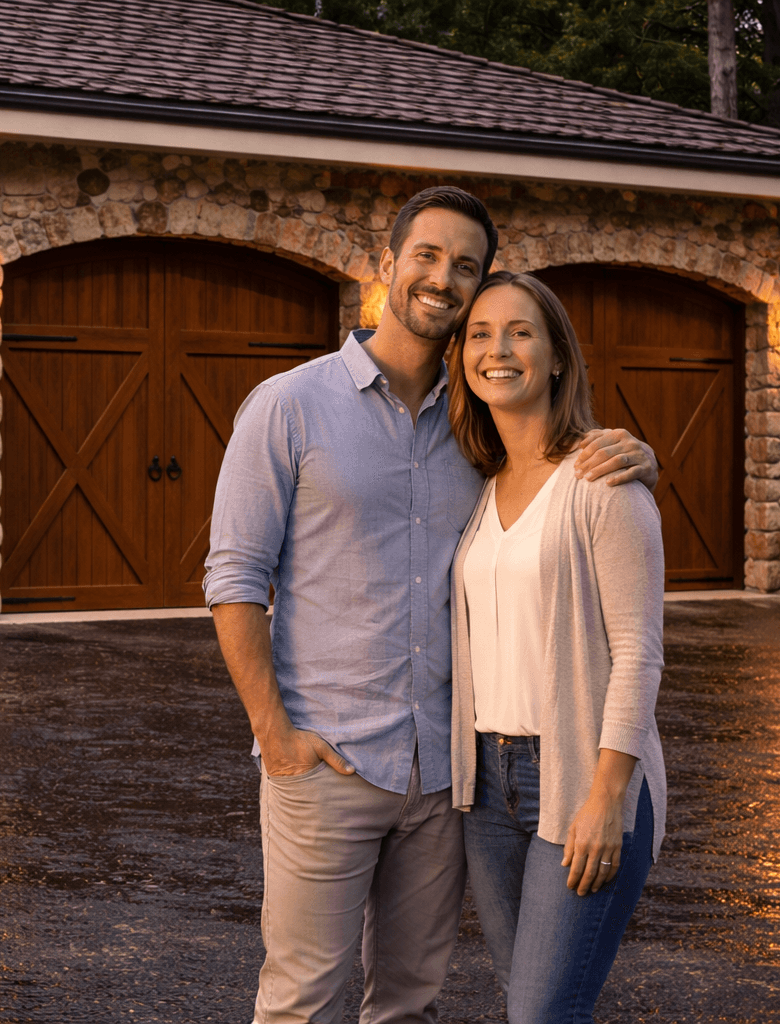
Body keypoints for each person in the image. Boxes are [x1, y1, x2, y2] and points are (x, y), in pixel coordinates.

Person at [203, 185, 659, 1024]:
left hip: (449, 776)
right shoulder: (290, 406)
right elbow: (233, 579)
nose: (443, 279)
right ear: (388, 264)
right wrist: (276, 739)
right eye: (427, 255)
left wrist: (636, 455)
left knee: (410, 1001)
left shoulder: (477, 422)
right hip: (328, 762)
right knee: (303, 1000)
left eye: (466, 267)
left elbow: (562, 486)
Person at [448, 270, 666, 1023]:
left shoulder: (604, 479)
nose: (497, 349)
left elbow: (640, 650)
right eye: (480, 333)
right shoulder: (480, 484)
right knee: (530, 1003)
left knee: (541, 1011)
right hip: (487, 788)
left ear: (558, 357)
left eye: (520, 331)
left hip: (575, 776)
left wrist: (610, 797)